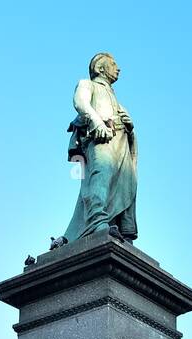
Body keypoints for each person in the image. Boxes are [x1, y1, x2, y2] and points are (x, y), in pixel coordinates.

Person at [62, 52, 138, 242]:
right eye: (113, 64)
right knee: (100, 176)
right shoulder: (88, 84)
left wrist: (130, 127)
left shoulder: (117, 100)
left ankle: (120, 227)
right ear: (100, 68)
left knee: (126, 184)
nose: (118, 68)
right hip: (100, 137)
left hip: (121, 142)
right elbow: (80, 103)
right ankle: (97, 221)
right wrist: (97, 122)